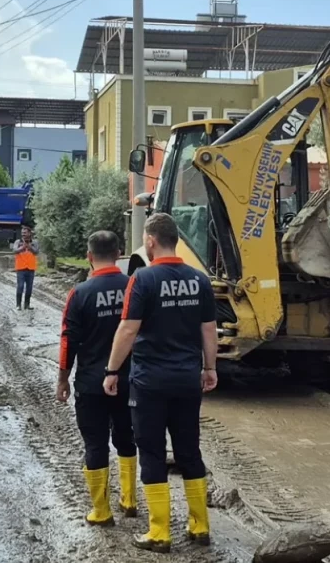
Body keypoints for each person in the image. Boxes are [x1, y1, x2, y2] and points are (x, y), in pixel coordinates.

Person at [104, 212, 218, 553]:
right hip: (186, 380)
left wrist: (112, 370)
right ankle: (200, 526)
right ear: (176, 240)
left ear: (151, 241)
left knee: (152, 452)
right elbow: (209, 329)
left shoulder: (143, 279)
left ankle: (159, 532)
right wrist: (209, 367)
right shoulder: (200, 280)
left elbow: (128, 329)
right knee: (189, 451)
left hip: (149, 382)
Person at [57, 230, 137, 527]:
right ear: (118, 253)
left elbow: (68, 341)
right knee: (127, 437)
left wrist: (62, 379)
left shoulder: (79, 294)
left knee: (95, 444)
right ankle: (129, 500)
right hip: (129, 381)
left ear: (89, 256)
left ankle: (101, 511)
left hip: (91, 384)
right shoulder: (134, 287)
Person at [13, 226, 39, 310]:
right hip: (21, 268)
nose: (23, 234)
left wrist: (29, 247)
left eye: (25, 233)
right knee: (20, 286)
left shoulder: (34, 242)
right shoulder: (18, 242)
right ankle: (18, 305)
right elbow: (15, 250)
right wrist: (23, 247)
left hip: (31, 268)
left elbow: (36, 252)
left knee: (29, 288)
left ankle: (27, 305)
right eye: (22, 233)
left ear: (29, 233)